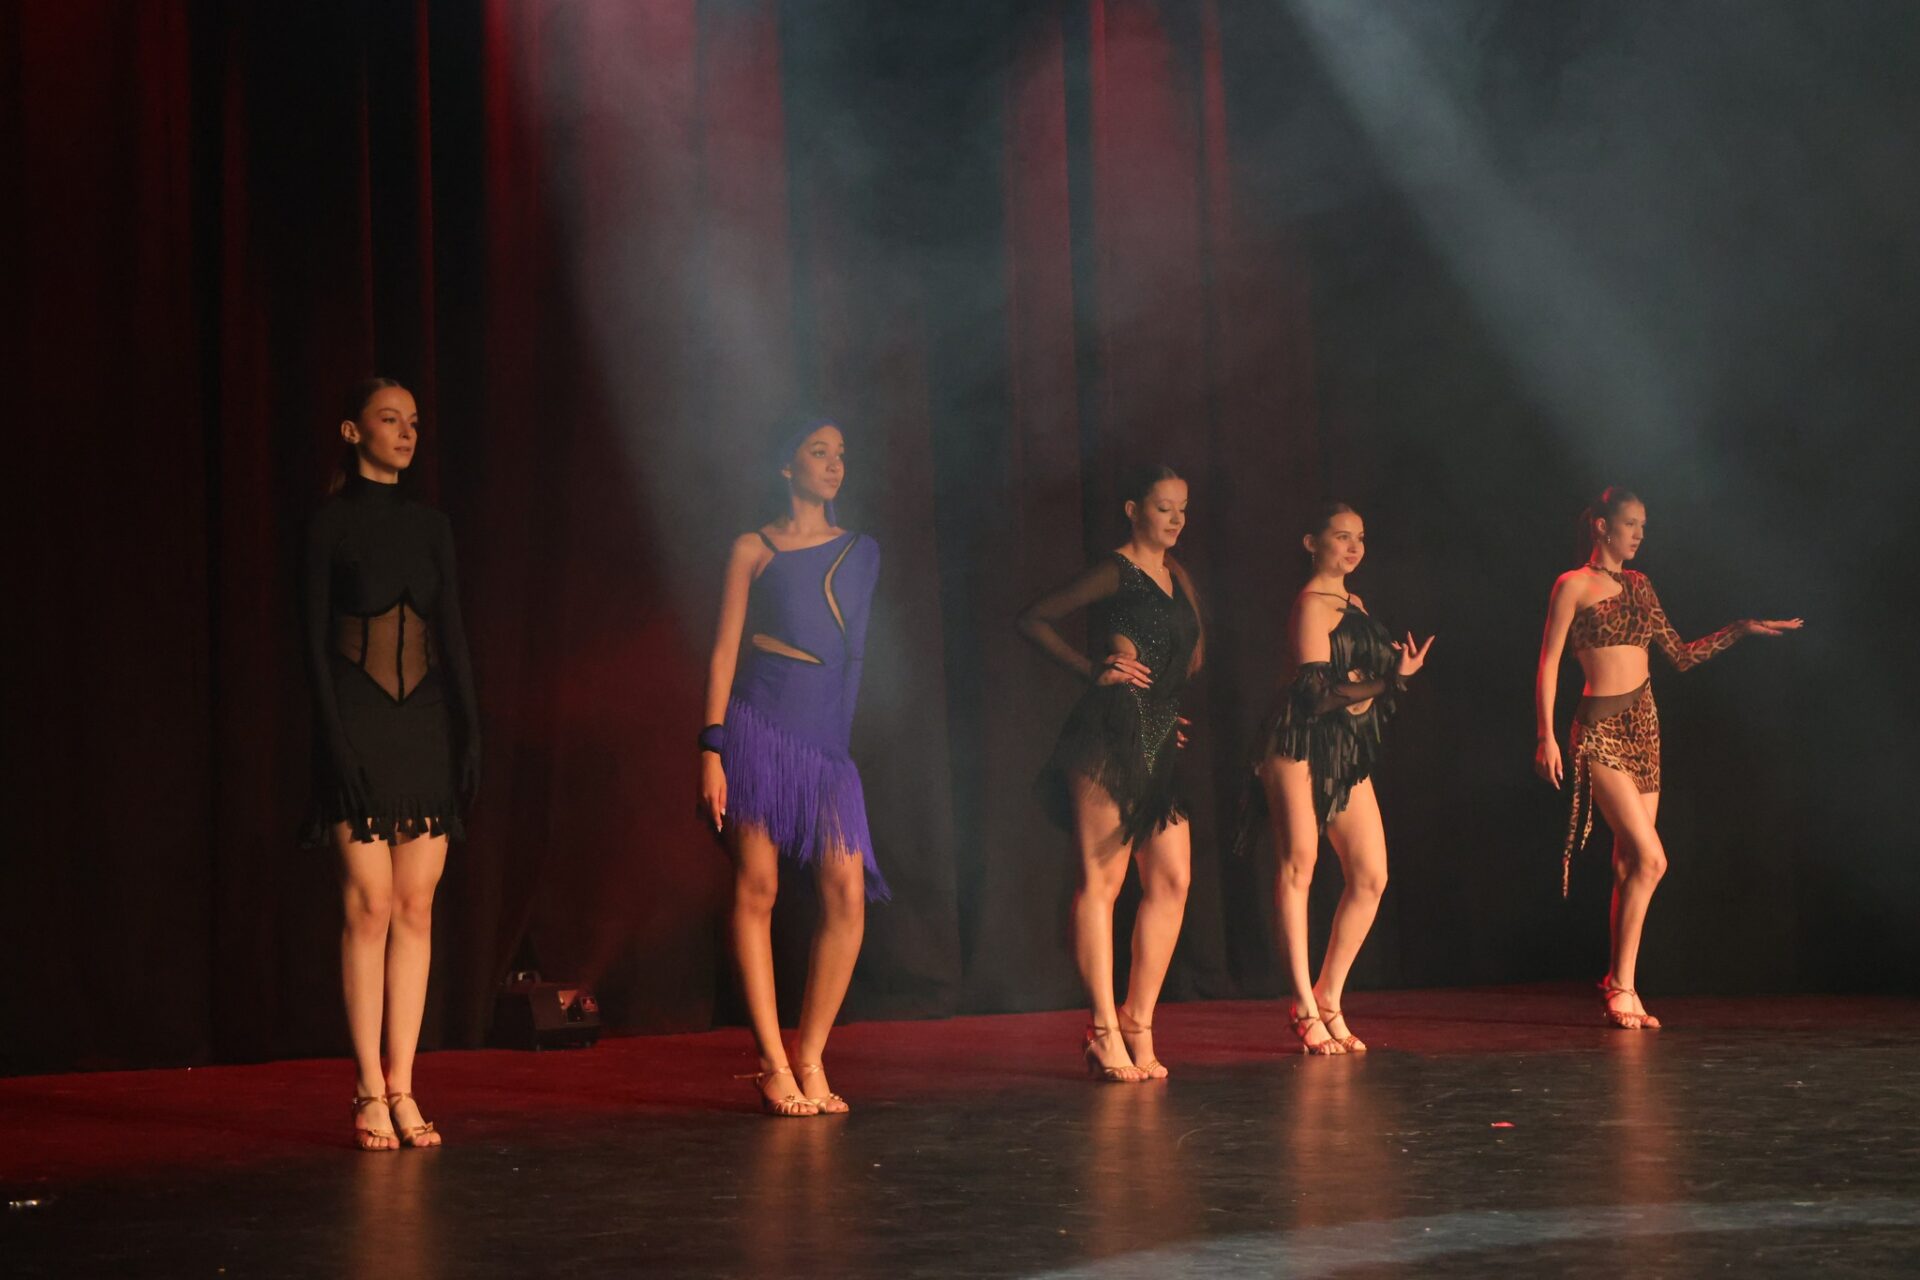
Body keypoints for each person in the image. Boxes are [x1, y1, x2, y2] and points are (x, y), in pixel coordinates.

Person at [1534, 486, 1801, 1029]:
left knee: (1631, 865)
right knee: (1653, 858)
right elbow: (1549, 662)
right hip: (1600, 730)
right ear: (1602, 526)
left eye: (1643, 526)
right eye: (1630, 524)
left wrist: (1741, 630)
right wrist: (1546, 736)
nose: (1639, 534)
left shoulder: (1641, 585)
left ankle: (1621, 983)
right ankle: (1621, 987)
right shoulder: (1573, 584)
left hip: (1645, 730)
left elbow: (1679, 655)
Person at [303, 377, 480, 1150]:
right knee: (369, 905)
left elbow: (453, 634)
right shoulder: (329, 524)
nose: (407, 432)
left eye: (413, 420)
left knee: (415, 907)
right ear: (352, 431)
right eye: (389, 419)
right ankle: (366, 1089)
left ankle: (403, 1085)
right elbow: (313, 646)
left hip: (426, 729)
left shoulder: (432, 525)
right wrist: (334, 746)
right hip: (358, 724)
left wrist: (471, 733)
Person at [697, 418, 884, 1116]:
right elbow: (724, 650)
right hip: (759, 726)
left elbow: (857, 652)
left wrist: (838, 744)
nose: (835, 465)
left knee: (846, 894)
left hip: (824, 738)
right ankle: (772, 1062)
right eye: (818, 452)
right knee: (759, 888)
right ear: (786, 466)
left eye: (841, 454)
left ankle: (811, 1055)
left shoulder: (861, 550)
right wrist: (711, 748)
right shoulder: (754, 547)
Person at [1018, 466, 1203, 1082]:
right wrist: (1093, 670)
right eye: (1163, 507)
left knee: (1172, 880)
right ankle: (1102, 1030)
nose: (1175, 518)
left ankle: (1137, 1021)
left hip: (1156, 736)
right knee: (1104, 881)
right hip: (1105, 734)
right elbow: (1034, 618)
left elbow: (1183, 659)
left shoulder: (1176, 576)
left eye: (1181, 508)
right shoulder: (1116, 571)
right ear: (1133, 509)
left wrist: (1163, 711)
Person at [1245, 503, 1431, 1055]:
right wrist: (1389, 682)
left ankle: (1329, 996)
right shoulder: (1310, 605)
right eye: (1342, 537)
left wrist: (1391, 673)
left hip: (1344, 748)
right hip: (1299, 742)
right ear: (1312, 542)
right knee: (1298, 866)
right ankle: (1303, 1005)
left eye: (1361, 538)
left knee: (1371, 875)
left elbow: (1359, 685)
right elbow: (1315, 695)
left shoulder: (1356, 604)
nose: (1354, 547)